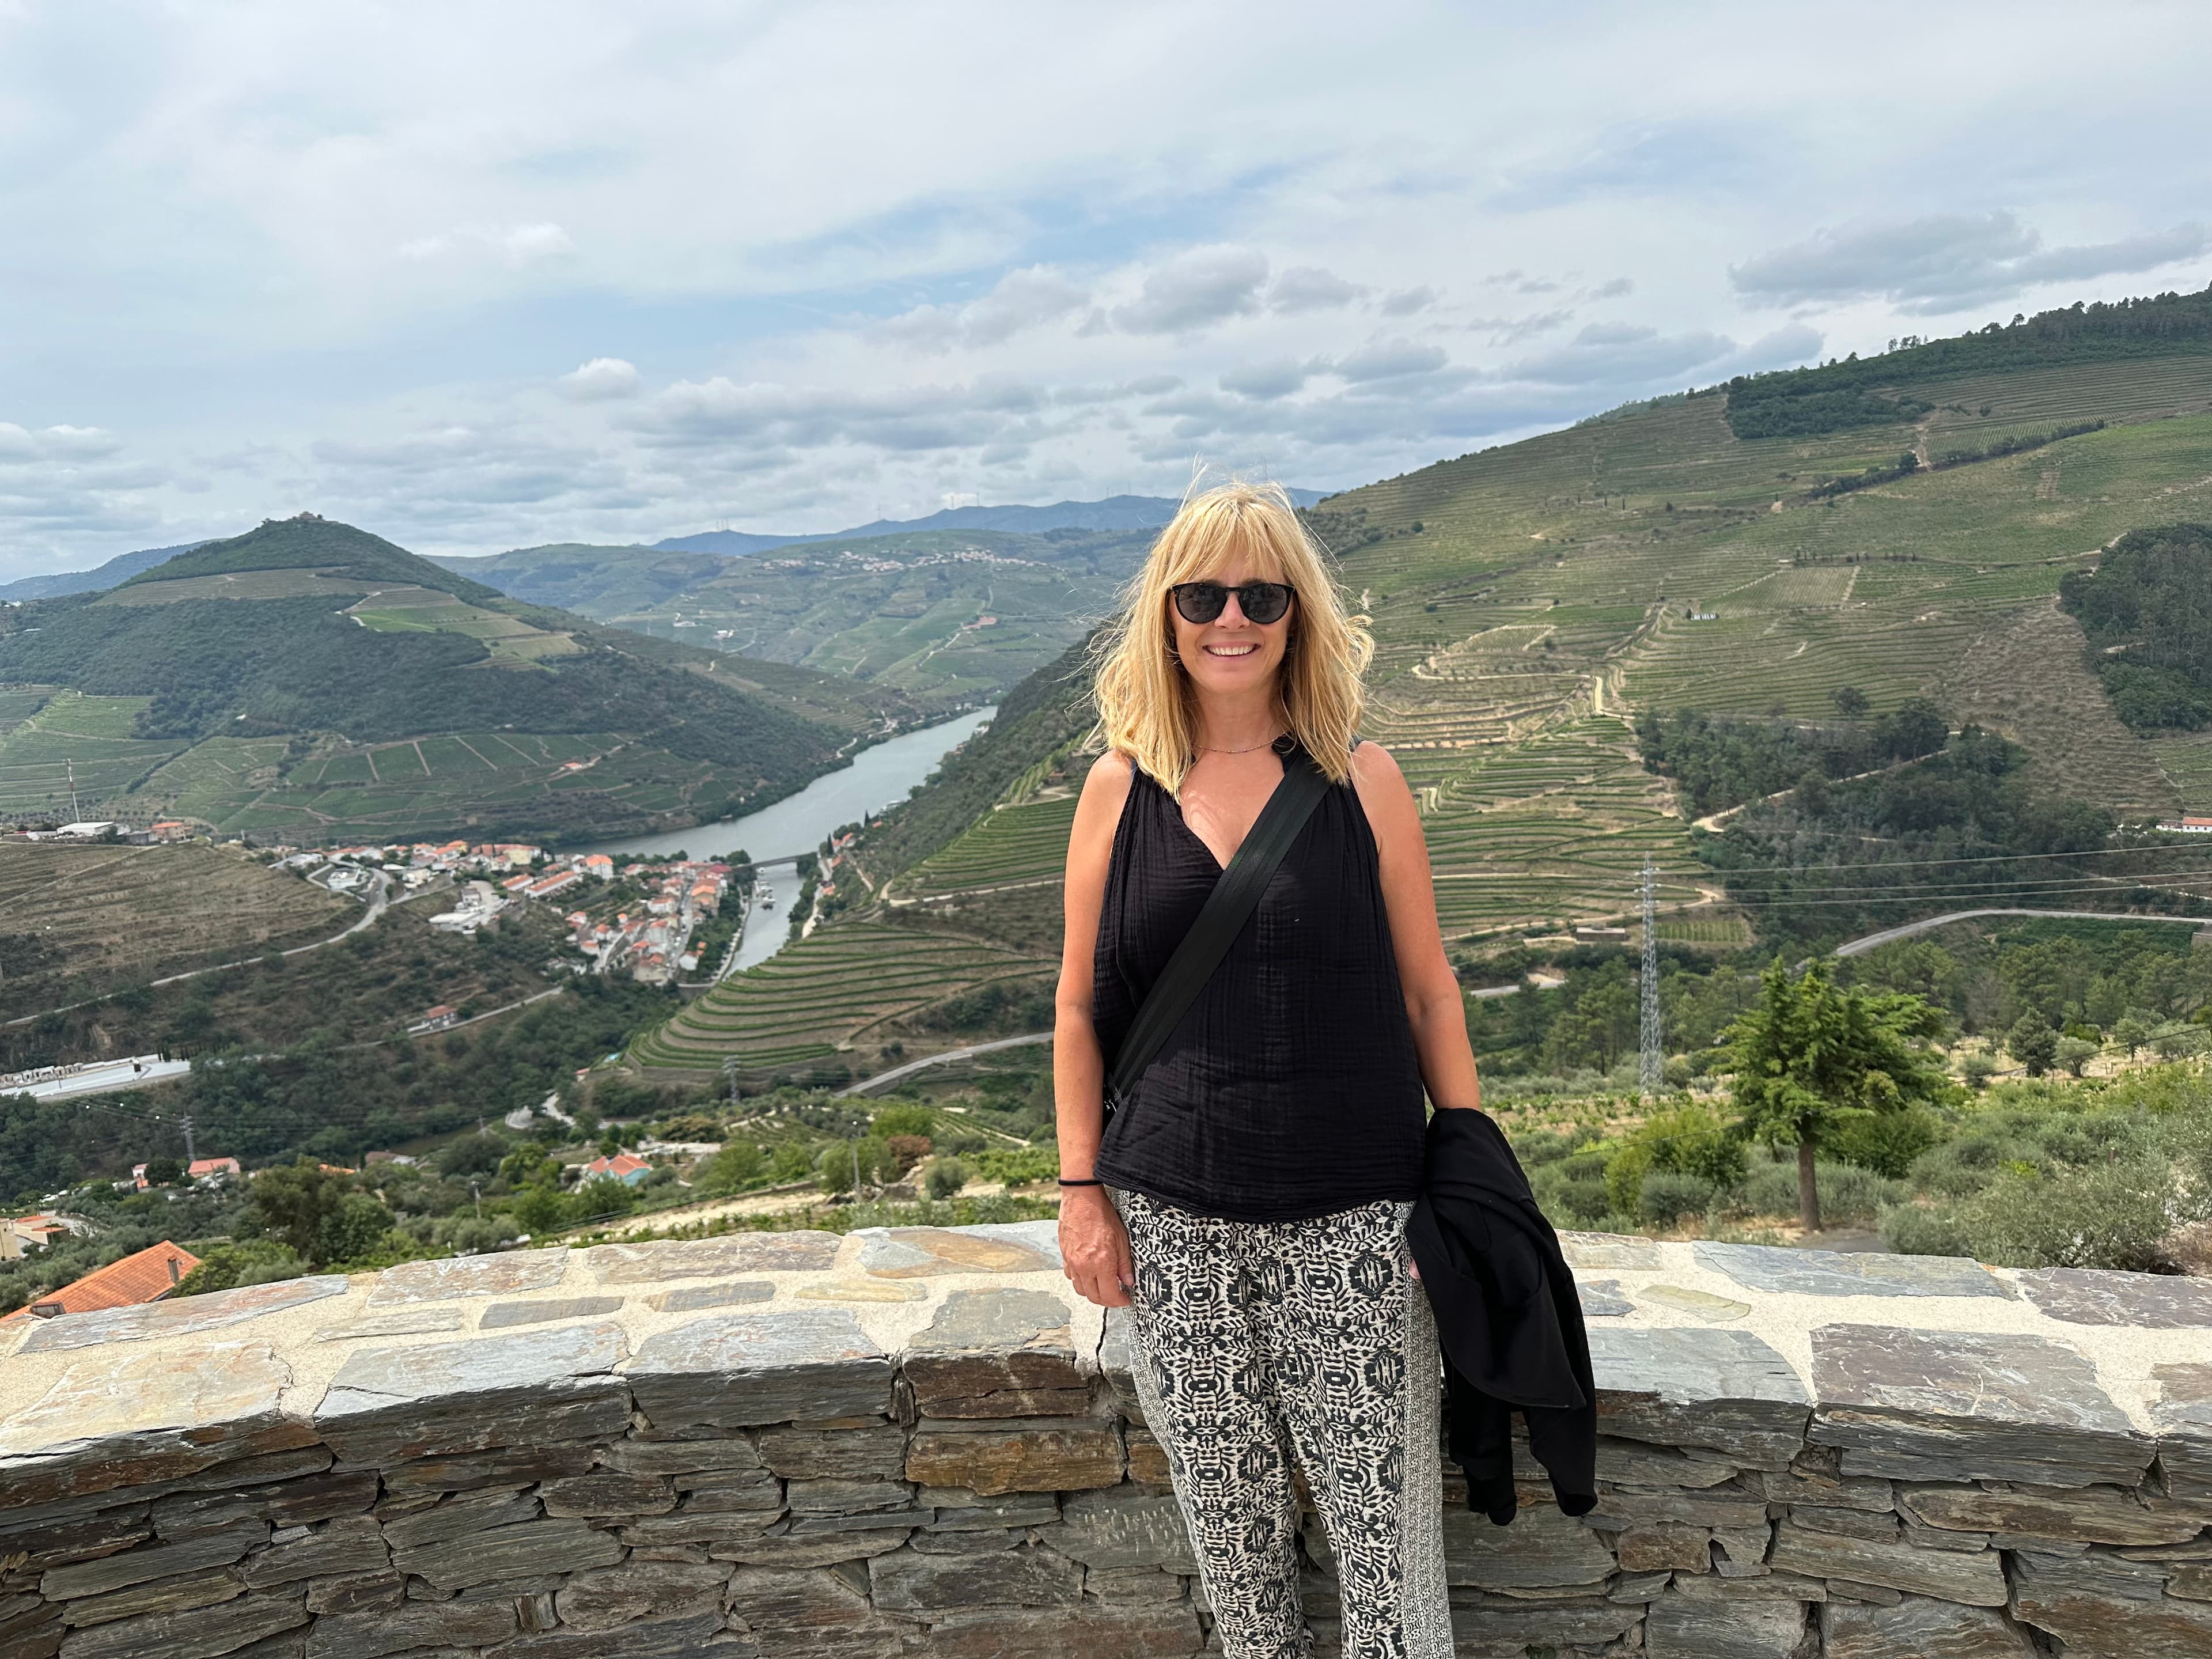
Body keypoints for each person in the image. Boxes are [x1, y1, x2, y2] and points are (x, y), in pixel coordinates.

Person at [1054, 480, 1484, 1659]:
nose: (1231, 619)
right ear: (1166, 614)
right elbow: (1079, 1007)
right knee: (1236, 1557)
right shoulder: (1118, 789)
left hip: (1357, 1219)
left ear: (1301, 616)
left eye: (1262, 596)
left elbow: (1430, 992)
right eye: (1202, 597)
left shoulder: (1363, 781)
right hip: (1174, 1225)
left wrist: (1469, 1175)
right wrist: (1082, 1192)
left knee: (1389, 1561)